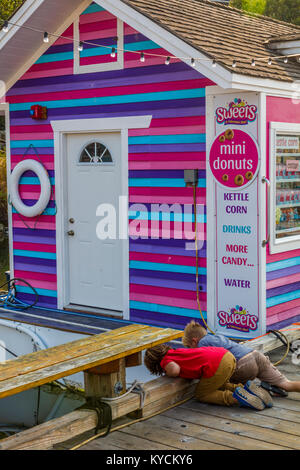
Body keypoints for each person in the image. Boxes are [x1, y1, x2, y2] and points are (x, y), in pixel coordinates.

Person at [182, 320, 300, 395]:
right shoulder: (216, 337)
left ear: (194, 340)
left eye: (189, 347)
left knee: (221, 385)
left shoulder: (202, 343)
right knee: (286, 384)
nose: (190, 350)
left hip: (243, 364)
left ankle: (255, 392)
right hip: (256, 355)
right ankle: (269, 387)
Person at [144, 343, 273, 410]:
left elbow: (175, 370)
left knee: (202, 394)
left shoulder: (166, 360)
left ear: (154, 363)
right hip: (226, 356)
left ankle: (235, 398)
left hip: (216, 365)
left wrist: (168, 373)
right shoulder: (176, 352)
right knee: (219, 384)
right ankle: (244, 389)